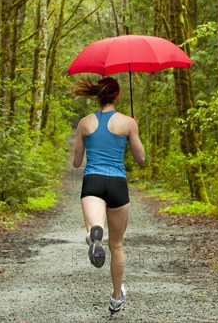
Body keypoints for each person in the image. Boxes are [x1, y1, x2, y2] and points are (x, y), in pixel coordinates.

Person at [72, 76, 145, 314]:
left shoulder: (84, 123)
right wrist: (134, 127)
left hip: (93, 181)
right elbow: (140, 158)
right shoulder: (127, 123)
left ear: (98, 95)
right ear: (118, 95)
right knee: (117, 245)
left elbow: (75, 162)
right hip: (117, 184)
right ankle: (116, 297)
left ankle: (94, 236)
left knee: (94, 226)